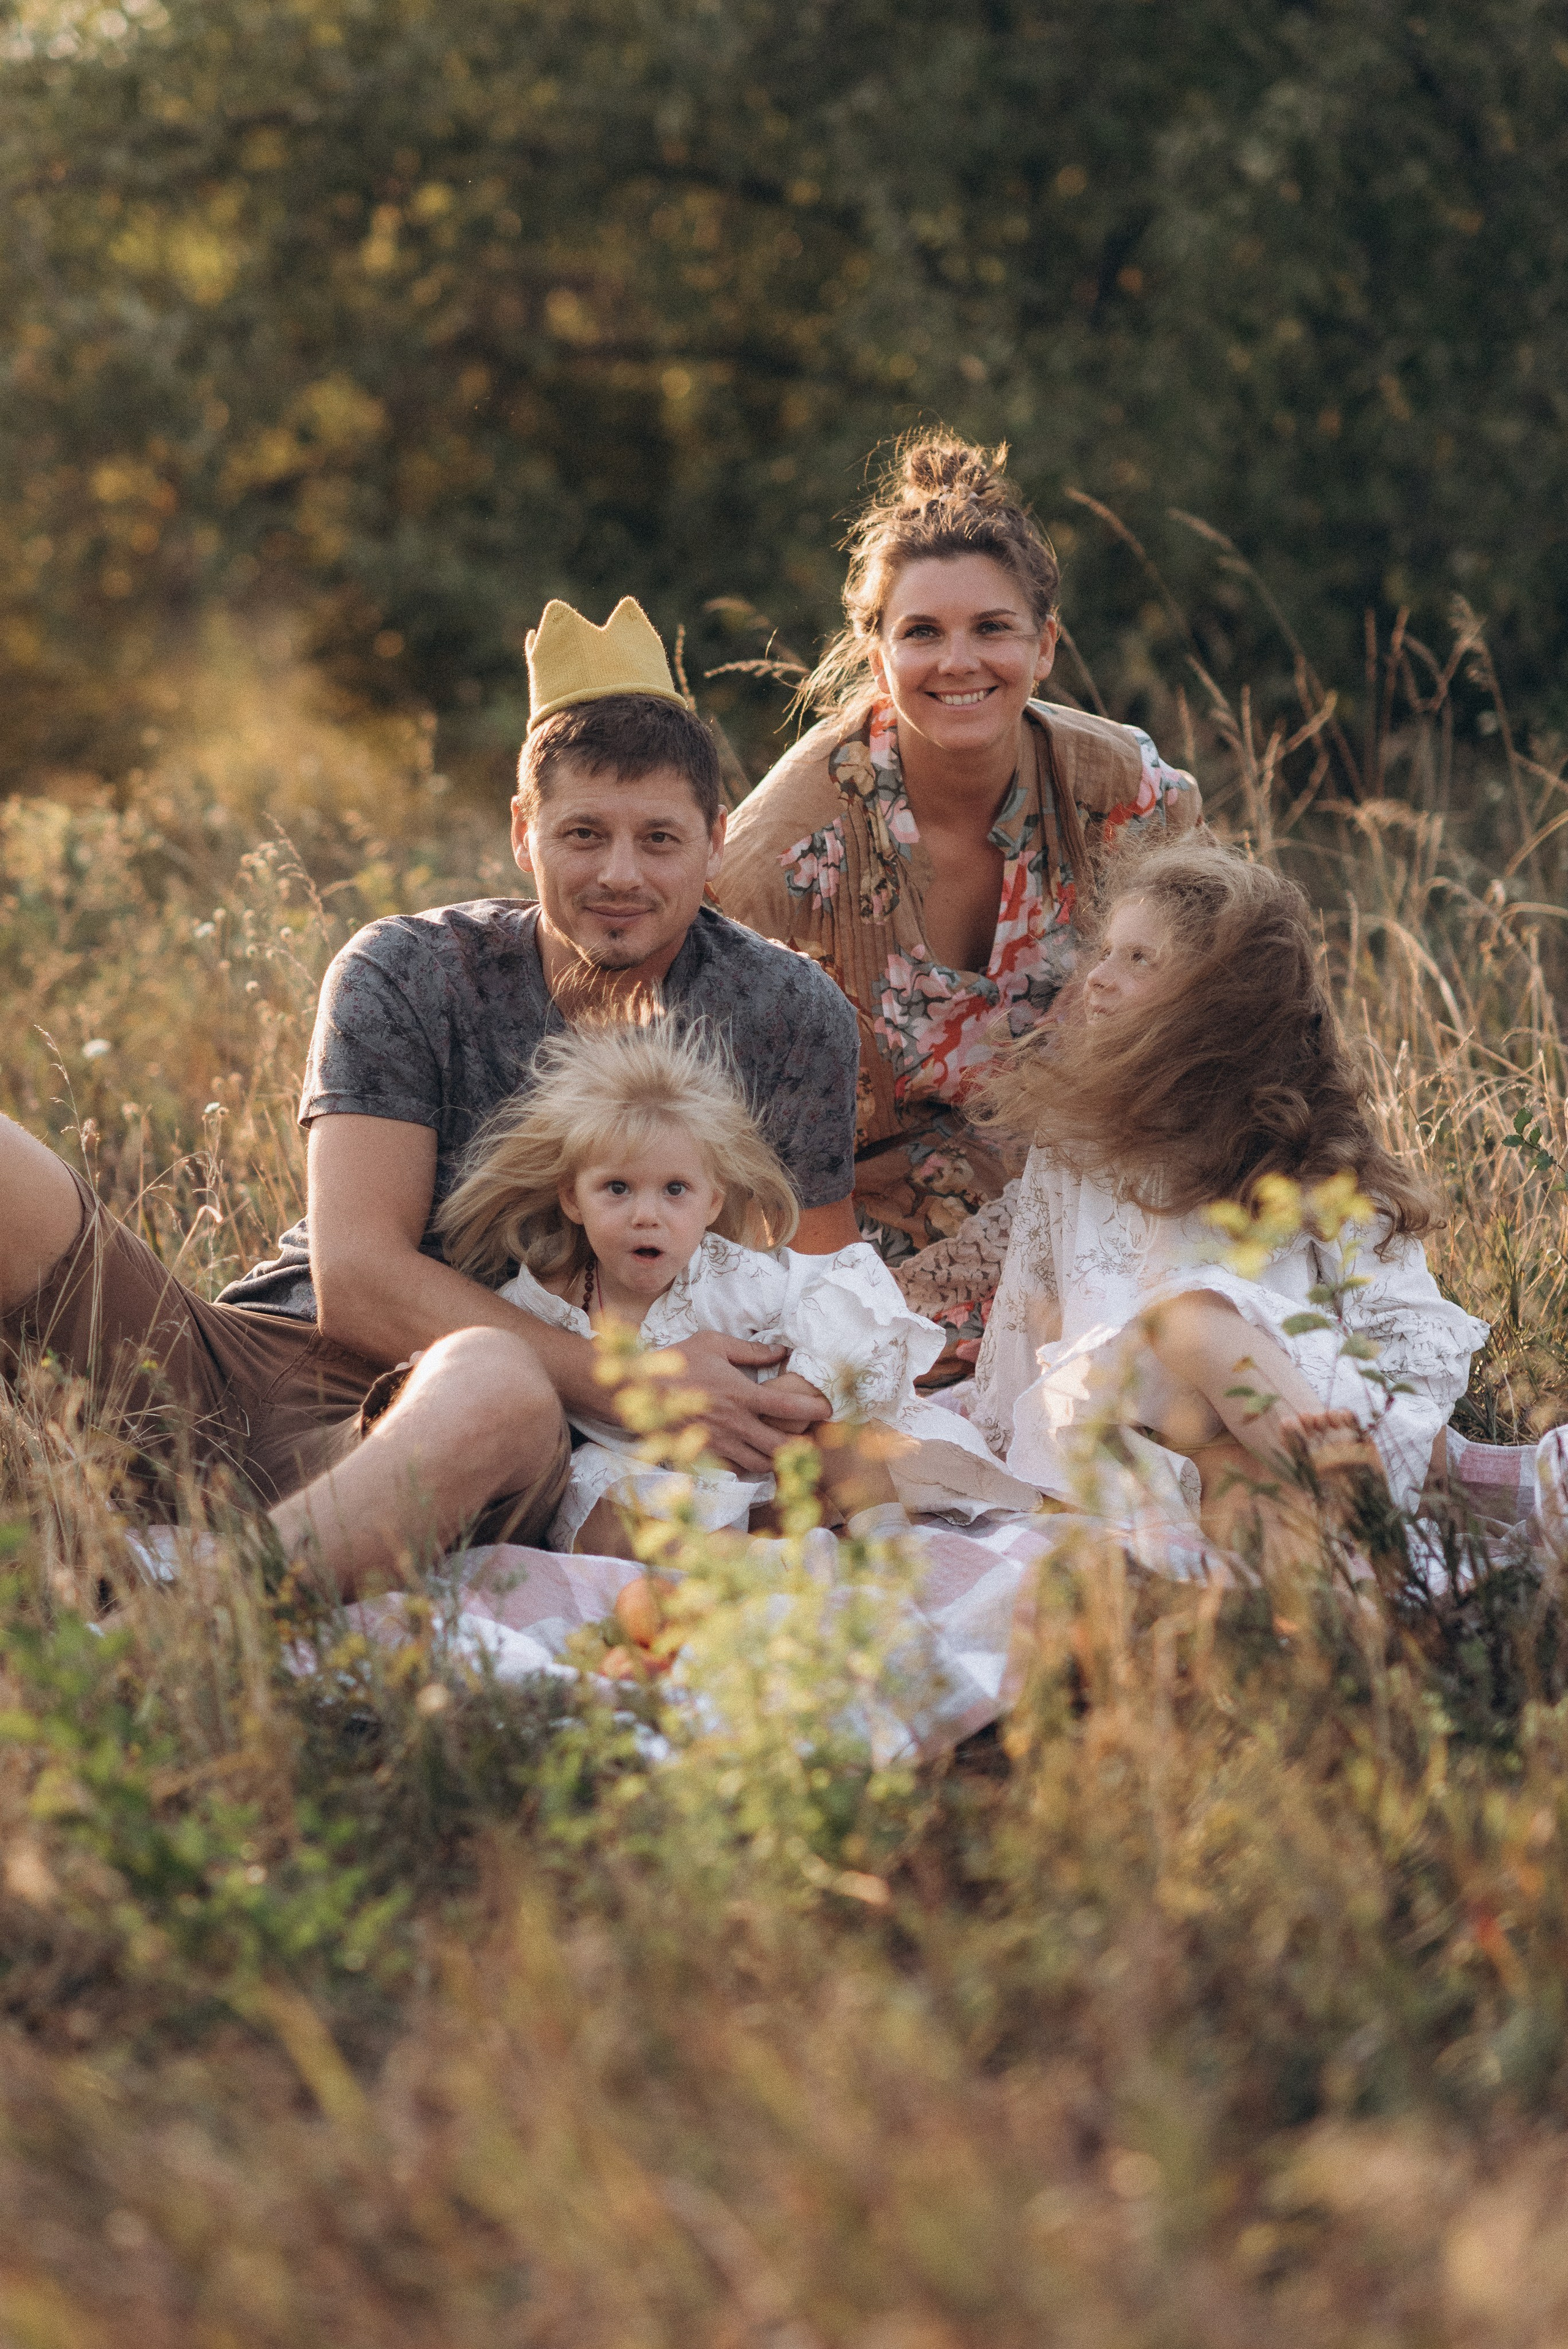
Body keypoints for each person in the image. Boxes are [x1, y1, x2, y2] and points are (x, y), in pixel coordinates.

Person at [0, 597, 863, 1593]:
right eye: (582, 833)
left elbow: (824, 1291)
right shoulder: (409, 969)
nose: (620, 874)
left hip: (502, 1430)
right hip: (255, 1365)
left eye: (659, 841)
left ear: (717, 842)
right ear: (521, 833)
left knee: (489, 1372)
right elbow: (358, 1277)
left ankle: (194, 1630)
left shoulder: (786, 1011)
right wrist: (636, 1386)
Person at [714, 431, 1202, 1364]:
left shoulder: (1123, 793)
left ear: (1045, 645)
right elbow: (701, 1084)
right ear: (875, 651)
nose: (959, 662)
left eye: (993, 628)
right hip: (846, 1224)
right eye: (922, 632)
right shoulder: (781, 852)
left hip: (1082, 1182)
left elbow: (1210, 985)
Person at [931, 835, 1488, 1560]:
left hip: (1285, 1413)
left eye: (1140, 959)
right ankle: (1355, 1563)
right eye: (1105, 951)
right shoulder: (1074, 1143)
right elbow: (1031, 1306)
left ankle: (1357, 1537)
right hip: (1139, 1429)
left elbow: (1402, 1318)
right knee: (1211, 1403)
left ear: (1223, 998)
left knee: (1208, 1360)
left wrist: (1393, 1427)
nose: (1098, 978)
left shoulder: (1303, 1143)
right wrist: (1012, 1442)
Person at [435, 1019, 1035, 1555]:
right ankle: (739, 1569)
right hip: (662, 1476)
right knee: (592, 1493)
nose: (647, 1215)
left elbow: (847, 1299)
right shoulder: (548, 1299)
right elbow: (495, 1355)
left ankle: (883, 1540)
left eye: (675, 1190)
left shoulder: (727, 1274)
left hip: (771, 1453)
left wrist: (810, 1385)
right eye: (617, 1189)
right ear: (573, 1197)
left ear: (711, 1201)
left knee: (840, 1421)